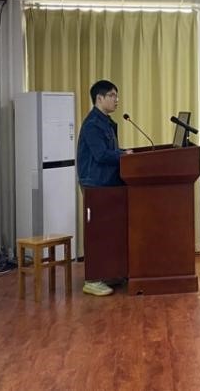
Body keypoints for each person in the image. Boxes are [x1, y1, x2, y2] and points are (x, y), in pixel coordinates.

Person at [76, 79, 132, 296]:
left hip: (107, 182)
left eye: (116, 96)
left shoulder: (106, 122)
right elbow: (100, 155)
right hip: (96, 184)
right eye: (112, 95)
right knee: (98, 232)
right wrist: (123, 155)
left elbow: (110, 151)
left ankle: (109, 272)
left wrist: (124, 153)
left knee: (110, 230)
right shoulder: (93, 124)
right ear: (99, 98)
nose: (116, 100)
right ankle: (93, 279)